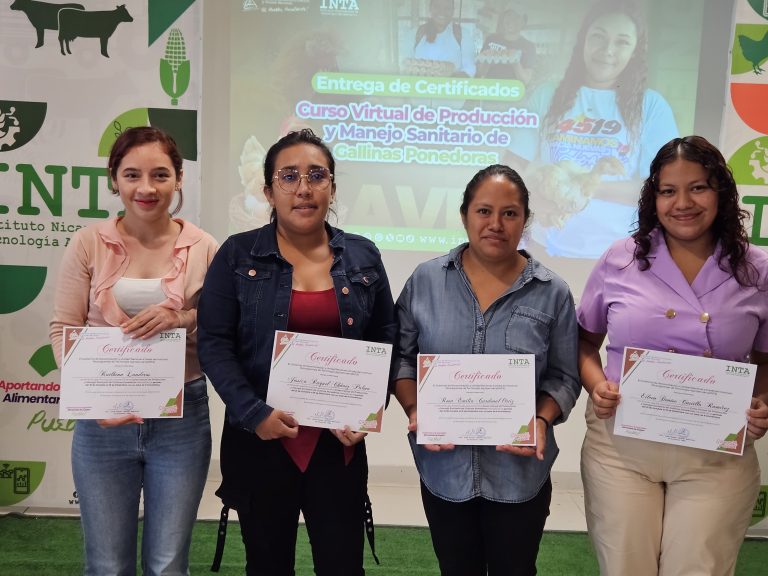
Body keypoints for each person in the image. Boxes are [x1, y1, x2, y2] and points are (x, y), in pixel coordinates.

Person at [197, 129, 397, 576]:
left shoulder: (363, 256)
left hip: (338, 444)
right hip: (261, 442)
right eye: (289, 177)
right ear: (268, 190)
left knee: (343, 566)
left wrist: (368, 410)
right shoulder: (237, 254)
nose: (304, 188)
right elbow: (214, 343)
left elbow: (386, 335)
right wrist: (254, 413)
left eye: (316, 175)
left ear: (332, 186)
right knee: (267, 566)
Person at [577, 135, 768, 575]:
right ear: (654, 198)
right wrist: (596, 384)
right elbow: (584, 342)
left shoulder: (756, 269)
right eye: (668, 191)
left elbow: (767, 359)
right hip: (622, 447)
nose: (683, 202)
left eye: (698, 187)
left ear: (721, 191)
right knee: (625, 567)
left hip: (715, 455)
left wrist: (762, 401)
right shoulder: (620, 259)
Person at [393, 164, 581, 576]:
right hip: (443, 469)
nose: (496, 224)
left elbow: (565, 377)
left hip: (519, 473)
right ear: (465, 216)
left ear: (525, 221)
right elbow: (402, 359)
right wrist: (414, 410)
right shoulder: (425, 281)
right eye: (483, 211)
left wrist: (542, 418)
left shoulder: (553, 293)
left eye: (510, 213)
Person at [49, 126, 218, 575]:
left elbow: (221, 326)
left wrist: (180, 317)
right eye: (132, 175)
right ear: (114, 179)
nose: (146, 188)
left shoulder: (205, 248)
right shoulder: (88, 243)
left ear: (179, 179)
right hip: (101, 423)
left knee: (167, 564)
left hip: (181, 419)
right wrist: (89, 397)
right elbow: (62, 329)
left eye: (161, 175)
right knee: (107, 564)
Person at [512, 0, 678, 258]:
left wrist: (580, 189)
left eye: (622, 41)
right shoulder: (546, 96)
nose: (607, 50)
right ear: (583, 42)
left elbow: (663, 187)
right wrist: (532, 197)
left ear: (635, 50)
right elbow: (511, 165)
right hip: (546, 250)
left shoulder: (652, 107)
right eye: (598, 37)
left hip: (622, 257)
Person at [408, 0, 477, 77]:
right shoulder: (415, 33)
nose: (442, 12)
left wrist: (448, 81)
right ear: (430, 8)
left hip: (449, 87)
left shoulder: (463, 34)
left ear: (453, 11)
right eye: (437, 6)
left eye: (447, 8)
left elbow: (469, 69)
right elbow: (405, 65)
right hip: (420, 87)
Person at [477, 6, 536, 85]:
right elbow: (480, 72)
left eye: (516, 17)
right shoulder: (491, 39)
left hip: (513, 93)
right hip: (490, 91)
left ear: (523, 21)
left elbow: (525, 80)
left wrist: (515, 61)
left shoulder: (529, 46)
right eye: (508, 15)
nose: (511, 20)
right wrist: (488, 60)